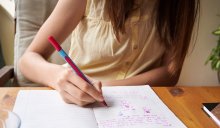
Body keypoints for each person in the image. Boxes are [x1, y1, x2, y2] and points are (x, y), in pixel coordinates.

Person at [19, 0, 200, 106]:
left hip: (144, 106)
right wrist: (58, 76)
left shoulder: (179, 5)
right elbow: (28, 60)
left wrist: (106, 88)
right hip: (77, 103)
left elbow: (171, 72)